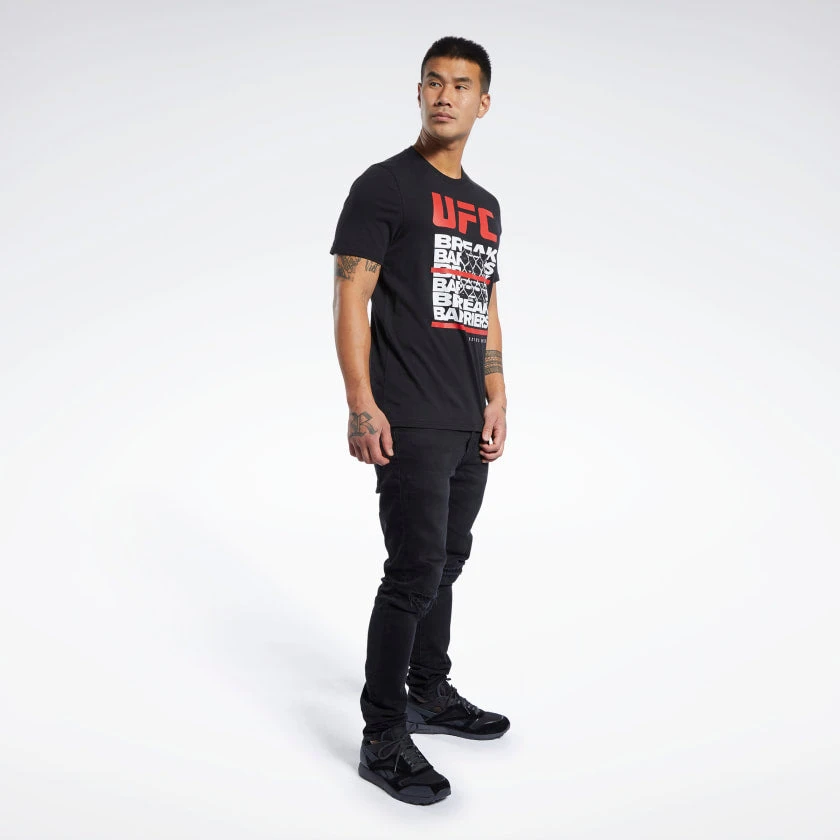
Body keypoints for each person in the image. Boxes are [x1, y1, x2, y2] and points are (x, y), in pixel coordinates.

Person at [331, 36, 509, 806]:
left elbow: (482, 301)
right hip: (407, 413)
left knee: (447, 562)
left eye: (461, 85)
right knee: (412, 572)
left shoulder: (485, 206)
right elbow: (350, 295)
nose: (445, 95)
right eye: (434, 82)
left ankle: (428, 693)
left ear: (483, 103)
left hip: (466, 416)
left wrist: (497, 391)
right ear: (419, 92)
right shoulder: (384, 187)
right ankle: (382, 736)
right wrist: (360, 401)